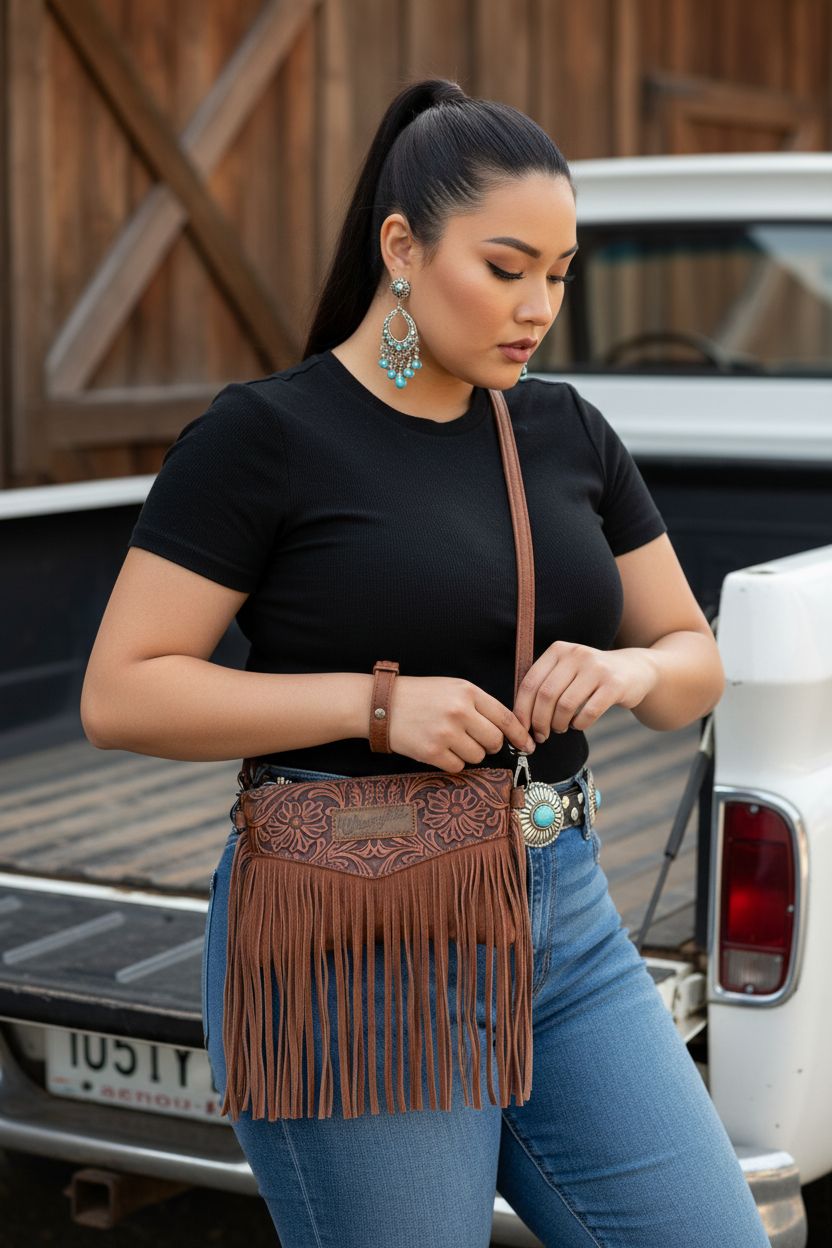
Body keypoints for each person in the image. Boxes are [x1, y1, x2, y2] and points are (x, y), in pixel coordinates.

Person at [80, 78, 771, 1248]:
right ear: (402, 246)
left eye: (558, 273)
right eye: (505, 268)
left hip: (565, 915)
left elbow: (692, 656)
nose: (538, 306)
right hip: (359, 932)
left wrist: (627, 674)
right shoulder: (267, 437)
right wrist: (374, 705)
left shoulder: (563, 430)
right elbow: (122, 690)